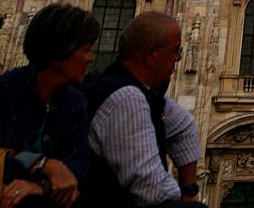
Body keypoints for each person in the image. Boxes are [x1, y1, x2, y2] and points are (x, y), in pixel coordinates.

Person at [0, 2, 98, 207]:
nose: (92, 58)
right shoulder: (1, 92)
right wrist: (45, 165)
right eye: (85, 50)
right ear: (58, 54)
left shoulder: (74, 102)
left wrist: (40, 187)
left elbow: (78, 166)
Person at [84, 11, 203, 206]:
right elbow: (154, 191)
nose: (177, 60)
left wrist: (189, 191)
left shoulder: (146, 93)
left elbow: (184, 126)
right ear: (151, 55)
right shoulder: (126, 98)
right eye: (176, 52)